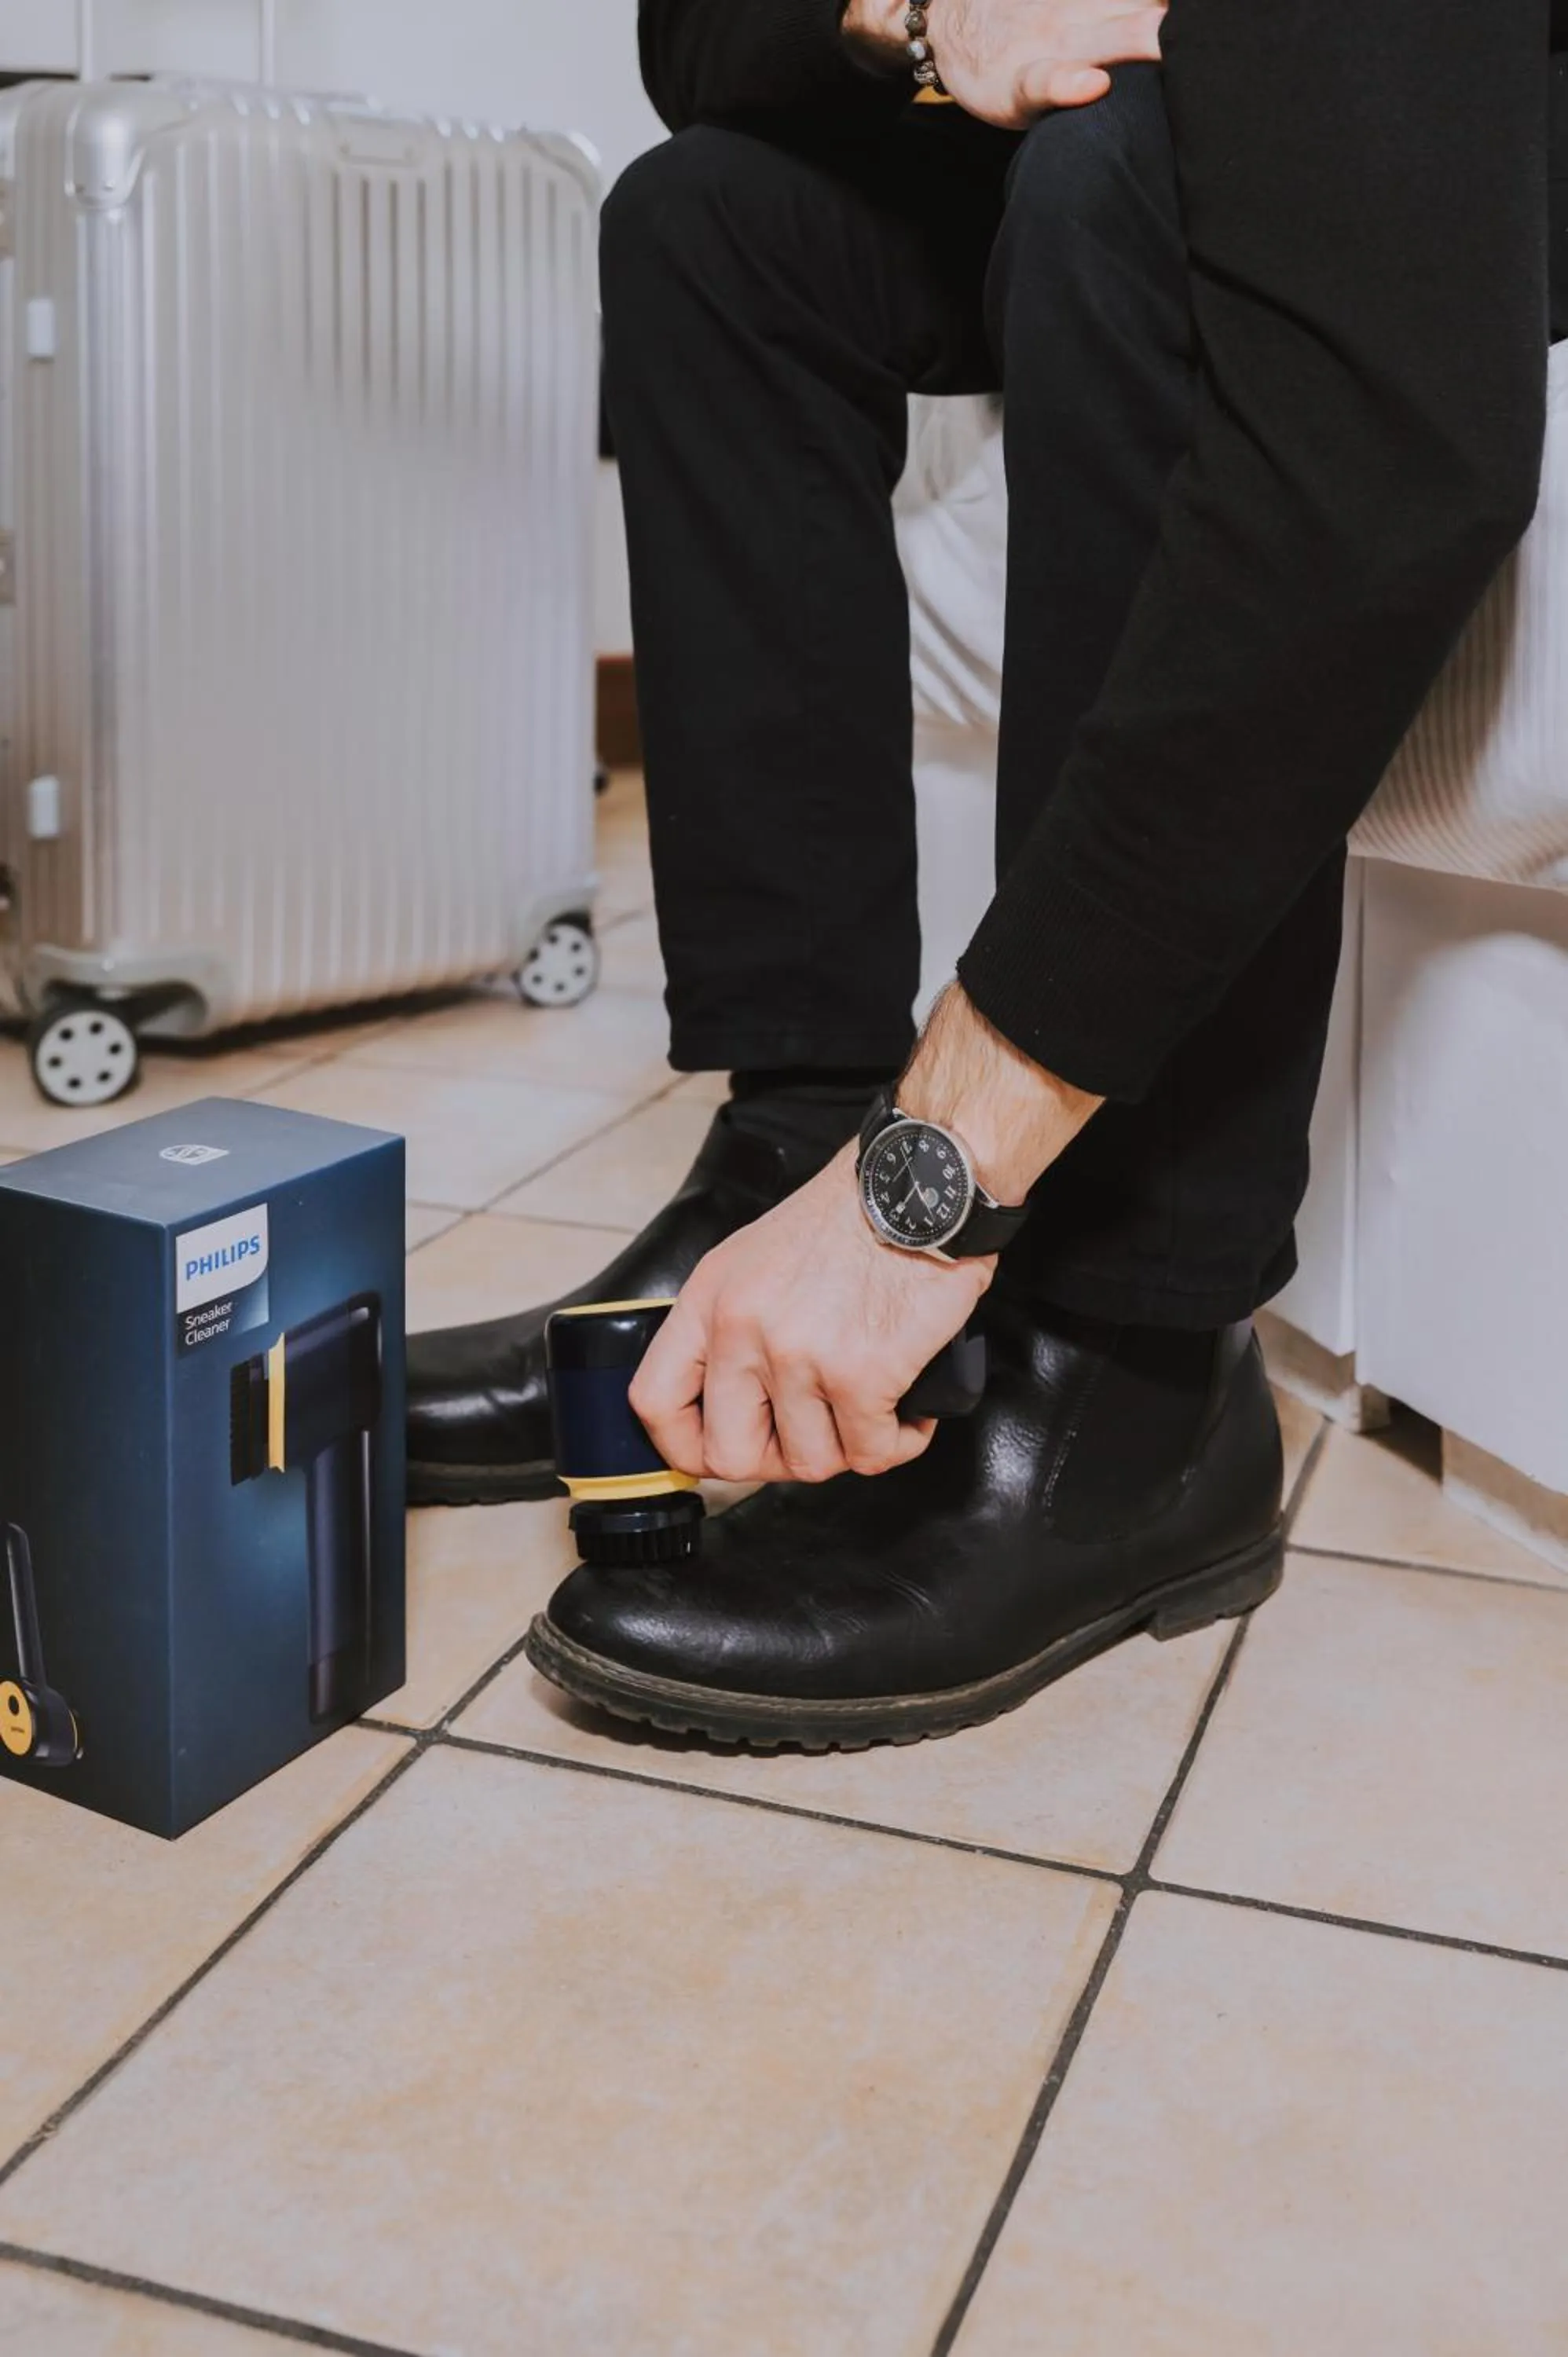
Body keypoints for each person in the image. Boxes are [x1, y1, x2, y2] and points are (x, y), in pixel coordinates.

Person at [408, 0, 1554, 1750]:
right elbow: (696, 37)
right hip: (1189, 117)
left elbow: (1386, 466)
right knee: (705, 219)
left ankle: (1140, 1362)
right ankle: (778, 1147)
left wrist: (924, 1187)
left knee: (1122, 172)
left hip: (1451, 124)